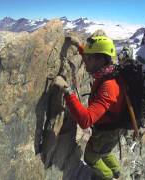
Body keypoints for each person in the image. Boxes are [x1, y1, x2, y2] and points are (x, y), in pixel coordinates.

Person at [53, 35, 125, 180]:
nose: (85, 61)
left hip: (107, 132)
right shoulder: (108, 70)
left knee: (91, 157)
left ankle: (108, 176)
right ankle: (117, 171)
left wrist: (67, 91)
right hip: (112, 128)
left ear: (101, 60)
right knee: (105, 150)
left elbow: (86, 120)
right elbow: (90, 58)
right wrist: (79, 46)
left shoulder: (108, 86)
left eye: (89, 58)